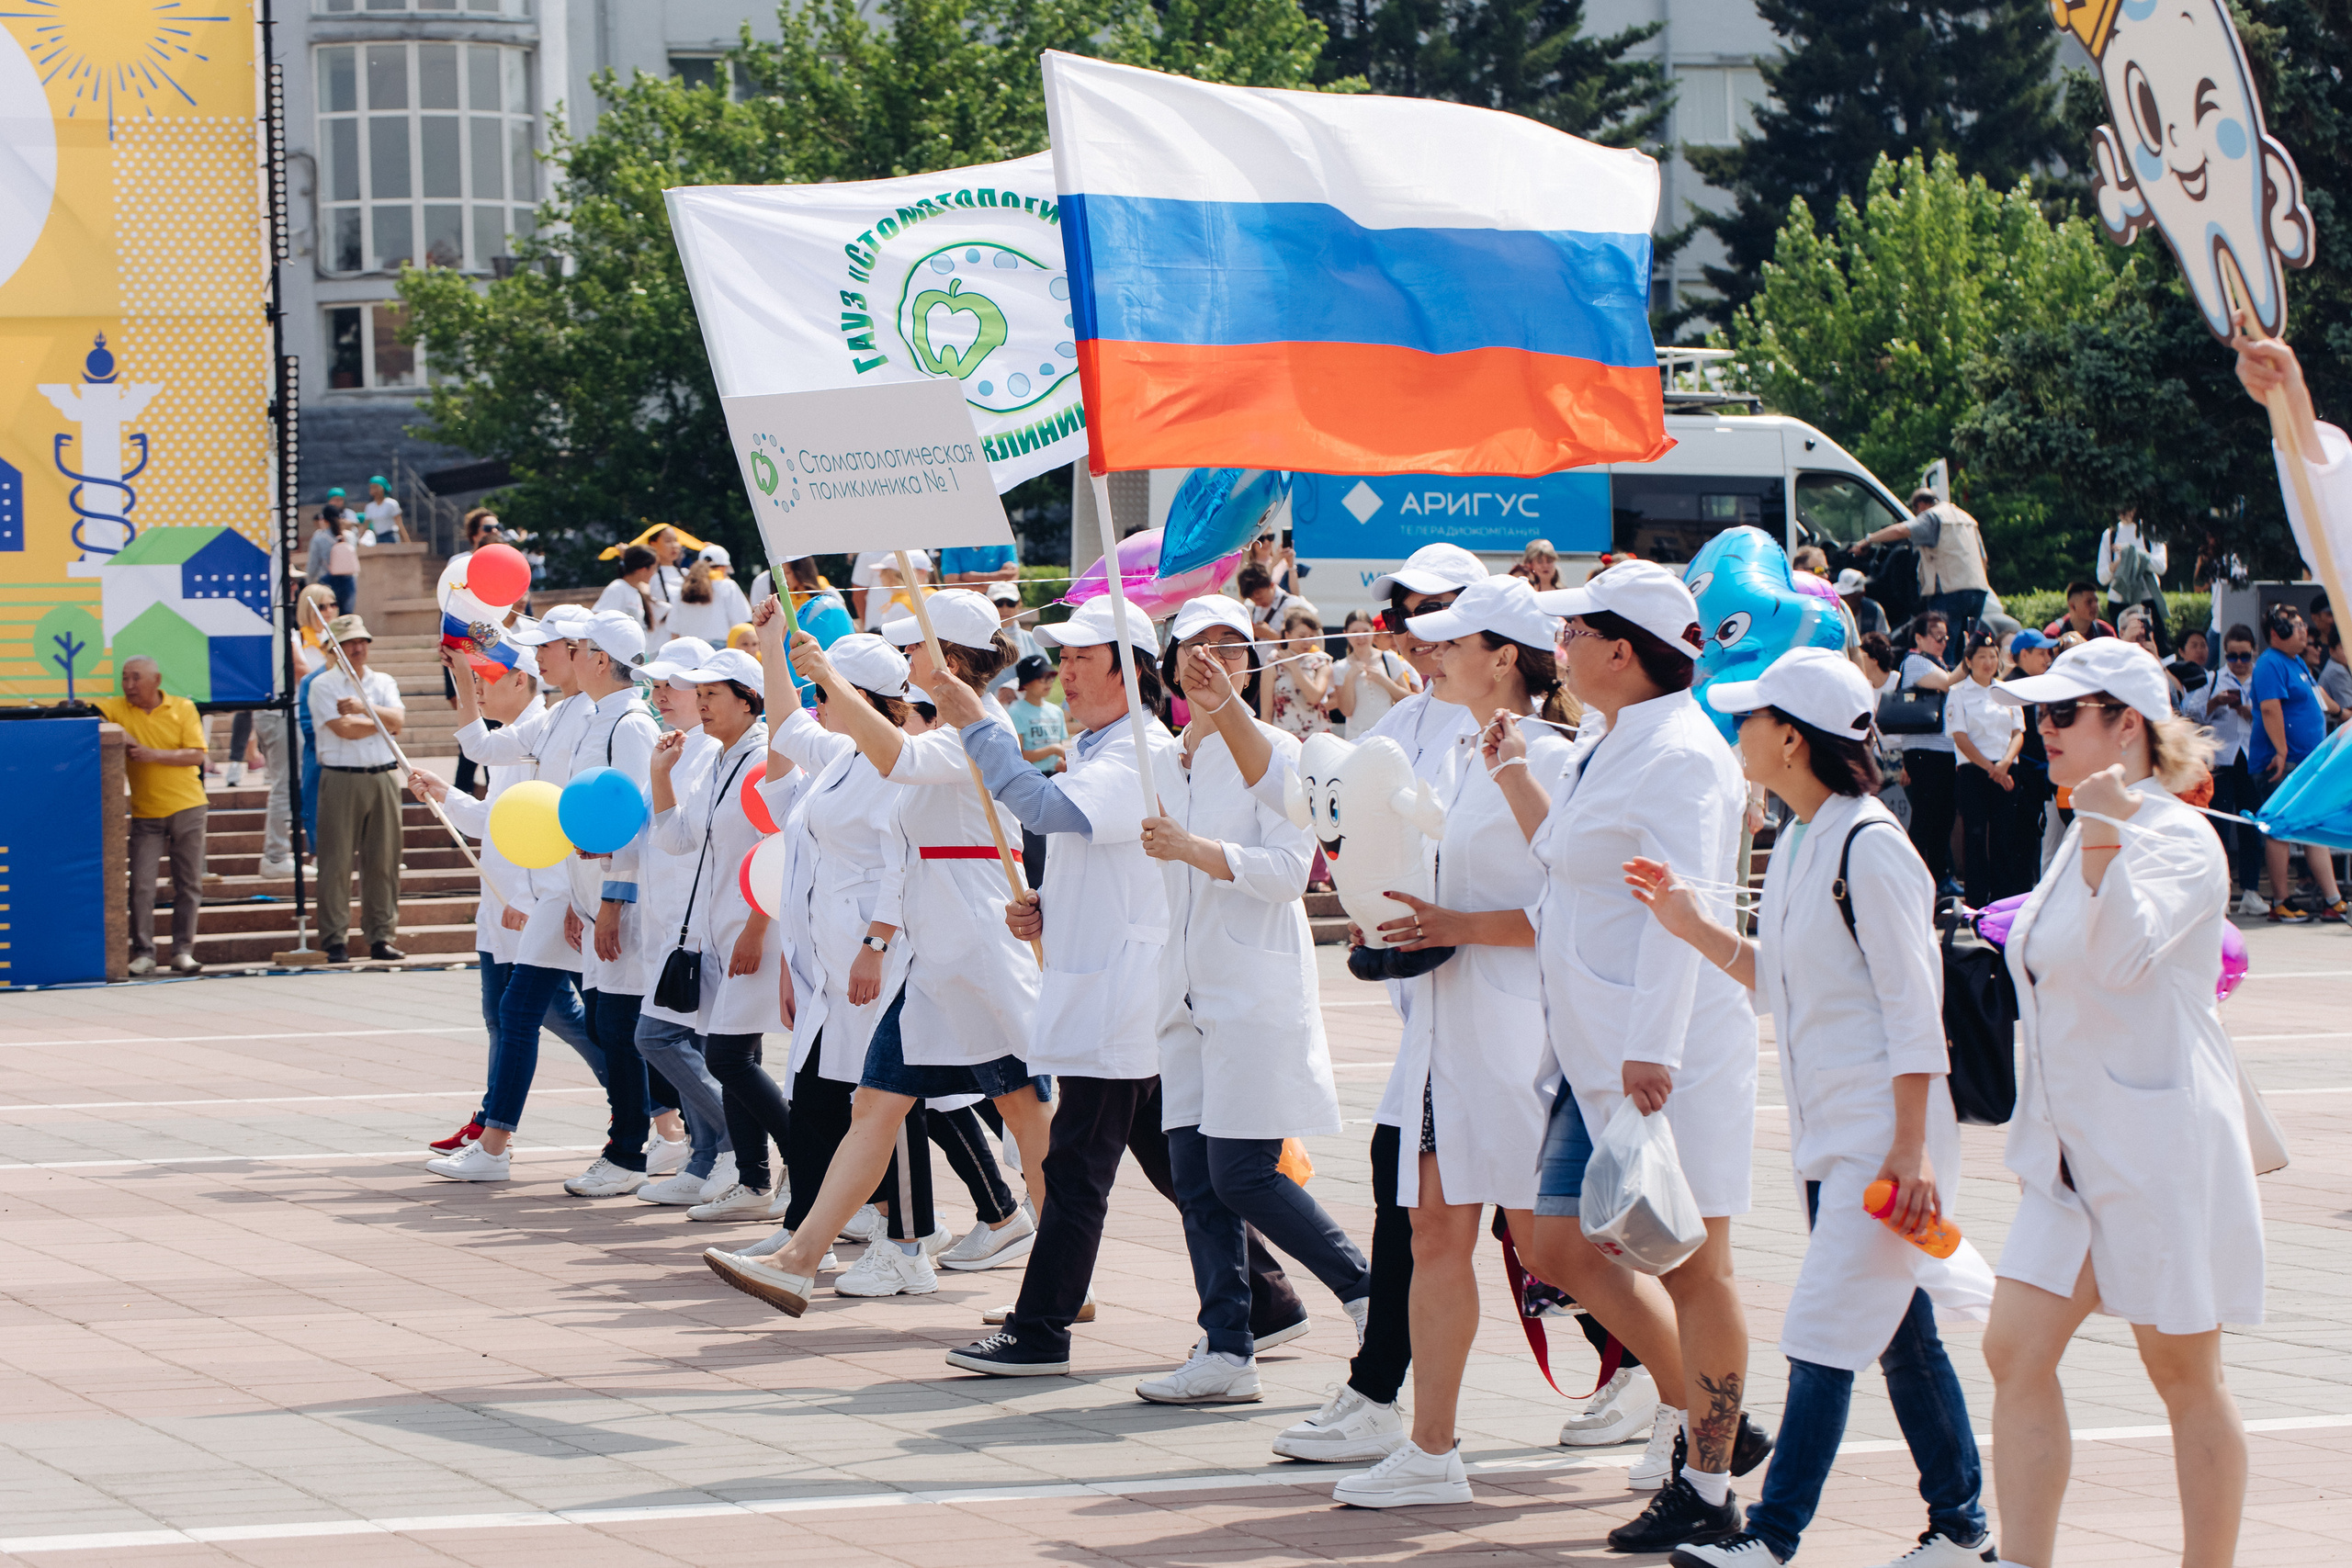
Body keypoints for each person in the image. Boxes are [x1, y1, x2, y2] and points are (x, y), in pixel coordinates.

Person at [1623, 649, 1995, 1568]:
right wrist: (1690, 924)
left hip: (1879, 1140)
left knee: (1822, 1332)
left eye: (1749, 718)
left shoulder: (1870, 847)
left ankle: (1770, 1538)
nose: (1735, 729)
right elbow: (1780, 984)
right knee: (1904, 1341)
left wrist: (1906, 1152)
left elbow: (1917, 1017)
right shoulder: (1797, 842)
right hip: (1833, 1139)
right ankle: (1962, 1526)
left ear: (1790, 739)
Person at [941, 596, 1306, 1376]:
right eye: (1063, 656)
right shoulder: (1105, 748)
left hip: (1126, 994)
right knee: (1174, 1165)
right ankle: (1271, 1302)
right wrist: (1052, 907)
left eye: (1082, 655)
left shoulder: (1135, 751)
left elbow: (1044, 808)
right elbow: (1097, 853)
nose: (1064, 669)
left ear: (1127, 667)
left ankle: (1042, 1329)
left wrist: (978, 724)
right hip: (1116, 983)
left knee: (1075, 1169)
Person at [1484, 562, 1768, 1550]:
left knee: (1697, 1268)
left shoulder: (1682, 756)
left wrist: (1651, 1050)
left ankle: (1710, 1484)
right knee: (1554, 1244)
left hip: (1662, 1058)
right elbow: (1568, 859)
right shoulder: (1614, 741)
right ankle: (1713, 1417)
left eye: (1569, 635)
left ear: (1619, 650)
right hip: (1594, 1053)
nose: (1554, 651)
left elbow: (1677, 909)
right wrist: (1513, 774)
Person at [1977, 637, 2258, 1568]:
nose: (2040, 729)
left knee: (2183, 1374)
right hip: (2067, 1156)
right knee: (2013, 1351)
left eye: (2061, 714)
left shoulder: (2177, 838)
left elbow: (2120, 961)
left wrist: (2102, 837)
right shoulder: (2082, 830)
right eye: (2039, 714)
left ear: (2125, 725)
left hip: (2157, 1150)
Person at [705, 592, 1050, 1311]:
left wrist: (828, 677)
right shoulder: (889, 743)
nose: (907, 663)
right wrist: (779, 654)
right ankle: (801, 1257)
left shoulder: (979, 732)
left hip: (980, 950)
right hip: (932, 959)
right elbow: (798, 731)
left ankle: (1060, 1266)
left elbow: (897, 754)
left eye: (915, 650)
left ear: (950, 659)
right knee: (875, 1103)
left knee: (1025, 1112)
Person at [1322, 574, 1576, 1508]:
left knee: (1559, 1250)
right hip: (1445, 1033)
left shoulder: (1547, 755)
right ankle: (1433, 1451)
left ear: (1505, 657)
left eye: (1453, 641)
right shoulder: (1470, 751)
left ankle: (1685, 1404)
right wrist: (1388, 914)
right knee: (1435, 1231)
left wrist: (1454, 926)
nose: (1432, 654)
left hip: (1518, 1034)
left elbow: (1573, 905)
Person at [1267, 540, 1490, 1467]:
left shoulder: (1512, 732)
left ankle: (1659, 1380)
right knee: (1423, 1207)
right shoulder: (1405, 723)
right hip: (1429, 1010)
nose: (1423, 638)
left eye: (1444, 618)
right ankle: (1378, 1395)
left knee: (1554, 1237)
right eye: (1411, 617)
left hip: (1505, 1014)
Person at [1128, 595, 1369, 1402]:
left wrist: (1198, 850)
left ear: (1254, 665)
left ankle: (1366, 1290)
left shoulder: (1280, 753)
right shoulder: (1157, 756)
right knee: (1195, 1176)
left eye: (1231, 648)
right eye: (1196, 646)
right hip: (1183, 991)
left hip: (1255, 989)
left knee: (1243, 1173)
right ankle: (1227, 1346)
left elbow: (1291, 874)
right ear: (1169, 662)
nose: (1212, 661)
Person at [409, 645, 605, 1162]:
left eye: (485, 679)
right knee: (507, 1017)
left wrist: (525, 898)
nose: (477, 689)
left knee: (544, 1014)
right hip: (500, 906)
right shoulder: (514, 740)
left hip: (530, 903)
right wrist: (445, 795)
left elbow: (545, 829)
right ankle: (493, 1124)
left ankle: (649, 1106)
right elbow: (494, 821)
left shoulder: (543, 737)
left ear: (519, 681)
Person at [647, 647, 799, 1219]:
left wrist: (759, 927)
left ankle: (803, 1163)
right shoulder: (716, 758)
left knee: (728, 1055)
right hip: (719, 934)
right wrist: (660, 776)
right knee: (730, 1051)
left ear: (748, 699)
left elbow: (781, 850)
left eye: (713, 694)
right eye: (700, 694)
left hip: (753, 932)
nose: (702, 705)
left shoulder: (765, 761)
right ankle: (755, 1182)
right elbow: (677, 839)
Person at [549, 611, 667, 1200]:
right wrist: (580, 899)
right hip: (594, 898)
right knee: (608, 1022)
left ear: (600, 659)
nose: (568, 656)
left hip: (627, 904)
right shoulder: (601, 718)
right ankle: (687, 1134)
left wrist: (615, 902)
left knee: (621, 1029)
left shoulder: (631, 726)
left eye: (578, 647)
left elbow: (634, 822)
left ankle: (629, 1153)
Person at [620, 637, 738, 1205]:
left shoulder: (717, 753)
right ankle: (706, 1152)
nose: (659, 694)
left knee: (670, 1038)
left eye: (673, 684)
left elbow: (702, 842)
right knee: (682, 1037)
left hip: (708, 924)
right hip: (668, 921)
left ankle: (750, 1144)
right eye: (656, 684)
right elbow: (660, 832)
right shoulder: (676, 749)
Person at [96, 657, 211, 975]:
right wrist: (121, 732)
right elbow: (92, 716)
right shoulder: (118, 708)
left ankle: (182, 951)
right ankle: (144, 951)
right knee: (141, 886)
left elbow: (197, 755)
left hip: (188, 807)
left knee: (188, 884)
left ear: (157, 680)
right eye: (124, 678)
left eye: (136, 678)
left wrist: (151, 754)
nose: (129, 685)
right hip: (146, 814)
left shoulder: (183, 708)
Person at [306, 615, 406, 964]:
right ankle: (334, 938)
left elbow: (399, 722)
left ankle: (381, 935)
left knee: (384, 860)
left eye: (362, 641)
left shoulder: (382, 682)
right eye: (350, 643)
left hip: (382, 775)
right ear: (335, 648)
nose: (358, 648)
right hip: (341, 776)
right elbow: (344, 729)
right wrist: (382, 723)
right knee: (335, 861)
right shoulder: (323, 685)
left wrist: (365, 709)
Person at [2248, 604, 2345, 922]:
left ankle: (2333, 900)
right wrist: (2280, 751)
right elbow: (2270, 709)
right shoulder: (2270, 664)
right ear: (2278, 633)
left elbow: (2319, 699)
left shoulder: (2297, 662)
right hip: (2283, 763)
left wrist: (2344, 716)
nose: (2305, 631)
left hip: (2304, 763)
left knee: (2310, 827)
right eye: (2297, 625)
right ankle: (2281, 901)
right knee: (2279, 828)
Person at [2186, 626, 2267, 916]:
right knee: (2218, 826)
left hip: (2251, 757)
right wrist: (2216, 702)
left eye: (2244, 655)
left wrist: (2248, 712)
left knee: (2250, 825)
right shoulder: (2214, 678)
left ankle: (2251, 890)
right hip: (2222, 759)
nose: (2239, 662)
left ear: (2253, 651)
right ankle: (2219, 888)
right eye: (2232, 656)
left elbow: (2273, 714)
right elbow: (2190, 712)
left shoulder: (2262, 677)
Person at [1947, 629, 2025, 907]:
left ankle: (2003, 899)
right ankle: (1977, 901)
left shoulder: (2005, 691)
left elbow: (2018, 732)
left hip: (2006, 769)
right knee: (1976, 837)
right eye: (1982, 657)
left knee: (2004, 837)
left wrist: (2004, 764)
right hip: (1974, 771)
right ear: (1968, 661)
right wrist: (1991, 768)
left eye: (1993, 656)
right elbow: (1960, 736)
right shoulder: (1958, 693)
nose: (1988, 662)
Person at [1893, 614, 1965, 893]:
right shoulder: (1914, 662)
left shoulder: (1940, 663)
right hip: (1923, 751)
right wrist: (1969, 659)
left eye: (1946, 636)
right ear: (1919, 639)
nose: (1942, 642)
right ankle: (1911, 878)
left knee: (1943, 817)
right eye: (1936, 636)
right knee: (1926, 817)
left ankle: (1938, 878)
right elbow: (1947, 682)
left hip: (1944, 750)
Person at [1864, 491, 1990, 639]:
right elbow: (1984, 559)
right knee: (1969, 647)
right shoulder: (1967, 518)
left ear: (1921, 505)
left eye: (1915, 510)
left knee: (1941, 645)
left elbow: (1900, 530)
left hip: (1949, 592)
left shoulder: (1931, 516)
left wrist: (1869, 539)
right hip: (1978, 592)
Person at [2002, 630, 2061, 879]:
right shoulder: (2012, 688)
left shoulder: (2037, 685)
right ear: (2023, 655)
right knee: (2022, 847)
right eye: (2040, 653)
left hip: (2038, 782)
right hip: (2021, 780)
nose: (2047, 658)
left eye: (2049, 652)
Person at [1331, 610, 1418, 738]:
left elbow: (1408, 699)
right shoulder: (1340, 667)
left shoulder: (1389, 659)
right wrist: (1350, 677)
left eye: (1365, 631)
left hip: (1388, 733)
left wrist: (1384, 681)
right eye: (1354, 632)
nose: (1360, 637)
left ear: (1373, 630)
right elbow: (1346, 711)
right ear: (1346, 634)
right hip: (1357, 736)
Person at [2096, 507, 2166, 654]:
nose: (2123, 511)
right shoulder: (2110, 534)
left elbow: (2161, 566)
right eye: (2119, 507)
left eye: (2128, 506)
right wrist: (2118, 563)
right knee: (2121, 650)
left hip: (2147, 600)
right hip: (2119, 602)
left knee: (2153, 646)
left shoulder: (2150, 530)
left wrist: (2132, 554)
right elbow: (2102, 577)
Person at [1260, 603, 1333, 739]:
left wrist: (1294, 667)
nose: (1307, 642)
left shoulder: (1321, 661)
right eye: (1302, 636)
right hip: (1283, 736)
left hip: (1316, 736)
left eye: (1312, 636)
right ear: (1287, 634)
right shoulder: (1274, 662)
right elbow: (1266, 711)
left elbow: (1315, 696)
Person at [662, 549, 754, 648]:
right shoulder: (728, 586)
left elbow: (674, 629)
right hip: (720, 647)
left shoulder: (684, 587)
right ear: (722, 567)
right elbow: (741, 622)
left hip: (689, 648)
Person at [596, 546, 662, 636]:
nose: (655, 573)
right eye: (654, 568)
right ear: (642, 570)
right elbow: (598, 620)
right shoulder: (618, 588)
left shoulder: (636, 591)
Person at [1236, 561, 1300, 640]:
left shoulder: (1292, 605)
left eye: (1260, 597)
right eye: (1253, 600)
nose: (1258, 603)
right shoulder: (1249, 606)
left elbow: (1301, 643)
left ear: (1271, 584)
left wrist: (1270, 634)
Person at [2041, 583, 2115, 643]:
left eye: (2096, 601)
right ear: (2072, 606)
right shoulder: (2053, 635)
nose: (2095, 606)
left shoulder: (2106, 632)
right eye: (2089, 602)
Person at [322, 507, 360, 615]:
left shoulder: (319, 537)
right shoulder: (350, 536)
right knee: (347, 616)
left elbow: (314, 564)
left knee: (331, 615)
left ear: (324, 520)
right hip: (349, 579)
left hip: (329, 580)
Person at [938, 539, 1021, 585]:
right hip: (967, 602)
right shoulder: (951, 545)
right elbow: (952, 585)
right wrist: (997, 581)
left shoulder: (1004, 540)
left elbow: (1012, 576)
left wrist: (971, 577)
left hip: (1001, 603)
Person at [1837, 569, 1890, 638]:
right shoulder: (1834, 611)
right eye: (1842, 596)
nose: (1843, 600)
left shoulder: (1874, 610)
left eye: (1848, 595)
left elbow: (1884, 637)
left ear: (1861, 594)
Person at [361, 476, 405, 544]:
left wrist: (406, 541)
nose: (374, 490)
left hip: (391, 537)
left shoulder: (391, 503)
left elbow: (399, 524)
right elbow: (366, 525)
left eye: (376, 487)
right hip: (379, 538)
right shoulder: (369, 507)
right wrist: (359, 540)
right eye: (372, 487)